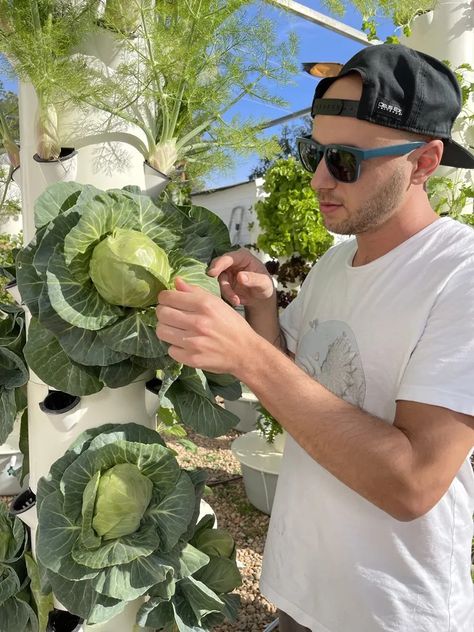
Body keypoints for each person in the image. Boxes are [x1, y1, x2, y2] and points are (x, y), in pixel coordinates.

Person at [156, 43, 474, 632]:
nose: (319, 177)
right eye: (316, 151)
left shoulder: (460, 276)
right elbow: (301, 386)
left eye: (347, 161)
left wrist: (248, 355)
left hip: (392, 614)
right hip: (301, 597)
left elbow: (412, 482)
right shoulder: (335, 264)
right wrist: (264, 311)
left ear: (425, 162)